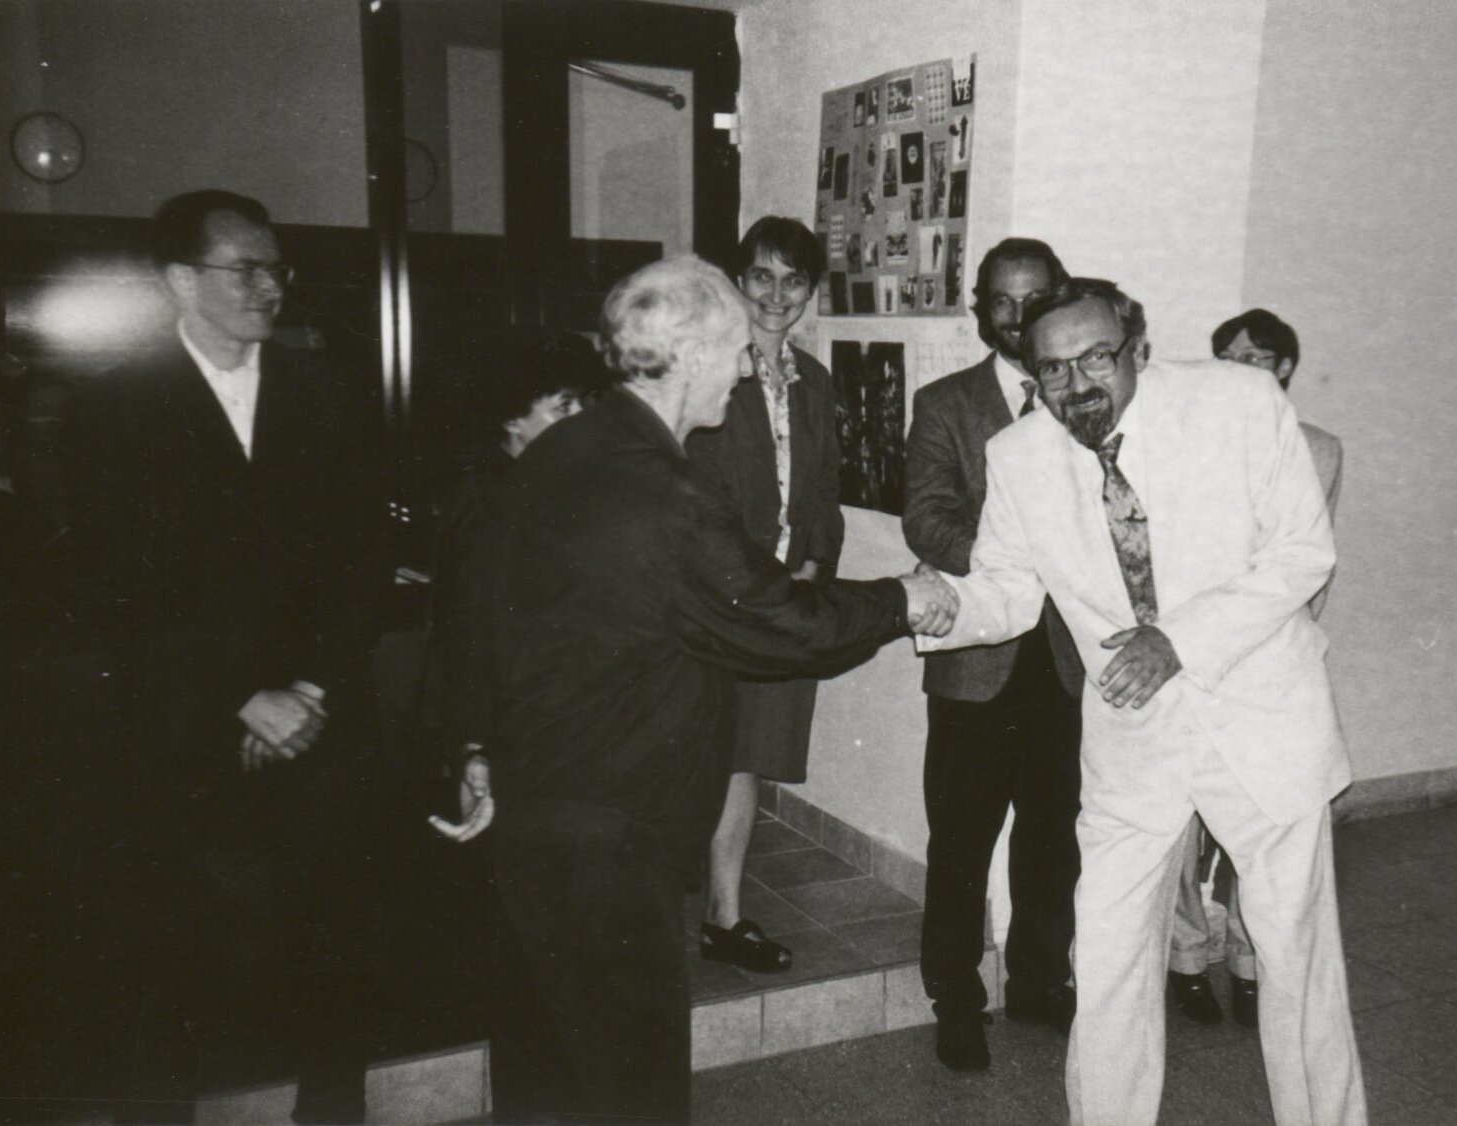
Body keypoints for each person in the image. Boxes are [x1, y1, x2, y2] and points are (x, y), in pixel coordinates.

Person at [429, 255, 957, 1123]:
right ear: (694, 356)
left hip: (533, 808)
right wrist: (902, 599)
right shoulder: (662, 488)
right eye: (740, 351)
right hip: (608, 832)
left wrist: (478, 747)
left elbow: (479, 618)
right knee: (630, 1082)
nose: (747, 370)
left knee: (546, 1071)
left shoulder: (562, 451)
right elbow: (777, 622)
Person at [918, 277, 1366, 1125]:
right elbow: (1006, 591)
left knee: (1296, 956)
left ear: (1139, 350)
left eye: (1097, 358)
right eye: (1054, 370)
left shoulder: (1238, 405)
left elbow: (1302, 553)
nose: (1078, 385)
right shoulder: (1019, 457)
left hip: (1260, 717)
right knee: (1109, 956)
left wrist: (1177, 639)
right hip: (1134, 739)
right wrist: (938, 604)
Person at [59, 189, 382, 1124]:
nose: (269, 286)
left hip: (320, 721)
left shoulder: (325, 390)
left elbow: (362, 556)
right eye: (245, 269)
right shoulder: (113, 406)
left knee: (336, 944)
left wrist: (309, 689)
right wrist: (243, 696)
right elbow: (117, 586)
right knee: (176, 961)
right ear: (179, 281)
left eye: (276, 268)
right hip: (188, 730)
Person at [901, 237, 1085, 1071]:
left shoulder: (1084, 397)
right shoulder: (945, 403)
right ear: (981, 308)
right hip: (977, 664)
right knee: (961, 842)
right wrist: (1019, 560)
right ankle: (955, 1000)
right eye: (1001, 302)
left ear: (1058, 297)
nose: (1016, 318)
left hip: (1066, 662)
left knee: (1053, 837)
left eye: (1032, 299)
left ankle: (1040, 983)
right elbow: (927, 519)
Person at [1167, 308, 1347, 1029]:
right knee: (1183, 824)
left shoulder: (1320, 449)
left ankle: (1248, 961)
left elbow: (1310, 571)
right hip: (1193, 658)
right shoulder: (1189, 441)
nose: (1238, 369)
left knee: (1265, 823)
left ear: (1284, 368)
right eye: (1227, 357)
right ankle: (1185, 956)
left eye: (1254, 357)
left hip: (1268, 661)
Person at [684, 217, 842, 974]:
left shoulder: (816, 382)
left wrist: (811, 571)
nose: (777, 295)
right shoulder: (707, 368)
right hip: (710, 601)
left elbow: (825, 494)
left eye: (794, 280)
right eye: (762, 277)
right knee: (695, 751)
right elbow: (690, 495)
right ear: (737, 280)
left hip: (781, 603)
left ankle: (724, 917)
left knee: (743, 756)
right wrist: (738, 587)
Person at [419, 328, 602, 789]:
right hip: (503, 733)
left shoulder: (551, 485)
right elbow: (467, 634)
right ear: (512, 420)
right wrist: (473, 746)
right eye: (563, 407)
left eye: (583, 404)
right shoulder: (487, 502)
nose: (581, 419)